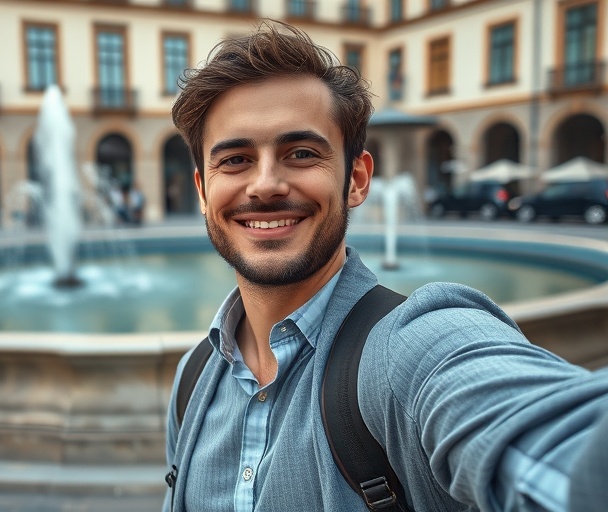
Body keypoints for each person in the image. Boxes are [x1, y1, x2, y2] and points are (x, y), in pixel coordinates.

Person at [164, 20, 608, 512]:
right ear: (204, 192)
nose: (265, 184)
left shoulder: (410, 349)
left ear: (356, 179)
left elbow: (549, 438)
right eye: (235, 160)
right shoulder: (193, 379)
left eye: (302, 153)